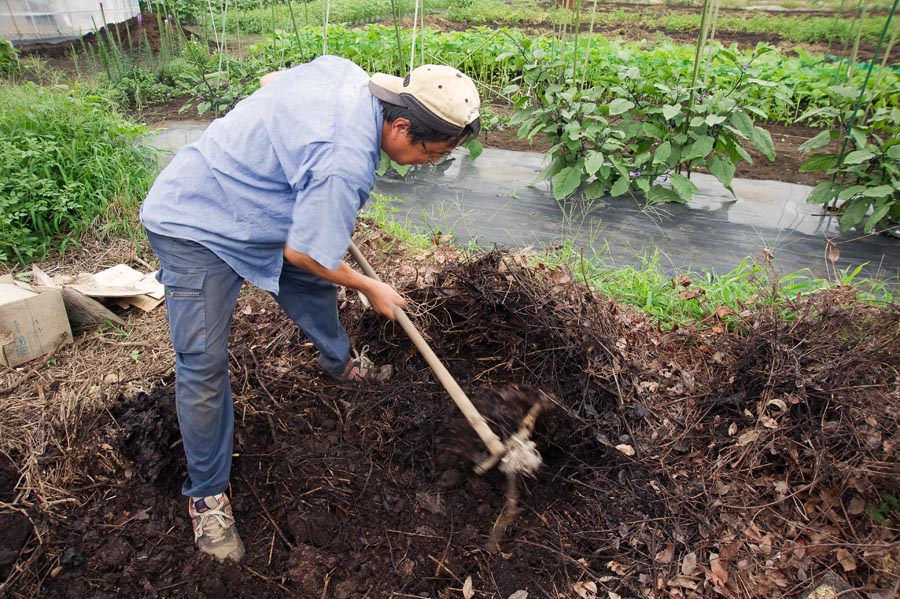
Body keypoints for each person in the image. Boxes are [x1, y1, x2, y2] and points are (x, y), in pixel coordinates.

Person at [140, 56, 481, 562]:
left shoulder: (344, 72)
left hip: (262, 213)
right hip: (198, 223)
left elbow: (269, 80)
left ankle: (340, 363)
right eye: (431, 153)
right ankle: (207, 497)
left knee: (312, 287)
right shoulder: (343, 162)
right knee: (204, 366)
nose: (431, 163)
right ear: (402, 125)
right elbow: (307, 253)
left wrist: (311, 191)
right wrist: (369, 285)